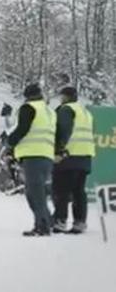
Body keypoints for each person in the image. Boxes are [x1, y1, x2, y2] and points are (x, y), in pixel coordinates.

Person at [7, 83, 56, 237]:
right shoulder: (49, 111)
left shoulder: (29, 108)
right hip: (47, 155)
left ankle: (42, 225)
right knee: (36, 192)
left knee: (35, 193)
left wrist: (10, 142)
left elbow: (23, 129)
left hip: (33, 155)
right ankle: (46, 221)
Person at [52, 87, 95, 234]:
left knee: (62, 190)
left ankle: (60, 221)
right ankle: (80, 222)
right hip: (85, 155)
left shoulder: (66, 110)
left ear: (66, 97)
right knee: (79, 191)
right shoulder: (85, 112)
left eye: (61, 96)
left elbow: (64, 130)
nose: (60, 99)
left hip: (69, 156)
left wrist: (58, 150)